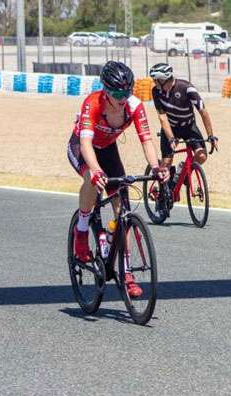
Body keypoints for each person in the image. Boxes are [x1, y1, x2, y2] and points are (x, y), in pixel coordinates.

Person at [68, 61, 165, 298]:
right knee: (92, 177)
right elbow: (85, 144)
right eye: (117, 93)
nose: (123, 98)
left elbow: (146, 140)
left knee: (123, 209)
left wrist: (156, 167)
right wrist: (97, 171)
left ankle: (127, 271)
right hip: (83, 149)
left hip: (109, 149)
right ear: (105, 90)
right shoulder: (93, 103)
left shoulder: (134, 106)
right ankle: (81, 232)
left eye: (127, 92)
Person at [148, 62, 218, 189]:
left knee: (201, 155)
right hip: (171, 128)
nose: (154, 83)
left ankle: (181, 172)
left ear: (163, 80)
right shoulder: (156, 92)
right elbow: (162, 117)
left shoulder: (187, 88)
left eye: (155, 80)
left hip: (188, 127)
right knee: (166, 164)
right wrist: (170, 138)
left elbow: (203, 111)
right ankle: (162, 193)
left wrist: (211, 136)